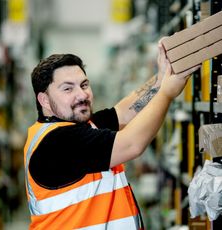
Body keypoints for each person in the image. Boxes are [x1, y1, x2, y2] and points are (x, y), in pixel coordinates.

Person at [24, 39, 200, 230]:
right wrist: (166, 93)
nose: (82, 95)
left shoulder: (80, 126)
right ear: (44, 100)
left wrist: (160, 79)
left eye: (84, 85)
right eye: (68, 89)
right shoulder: (57, 143)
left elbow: (124, 113)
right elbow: (132, 144)